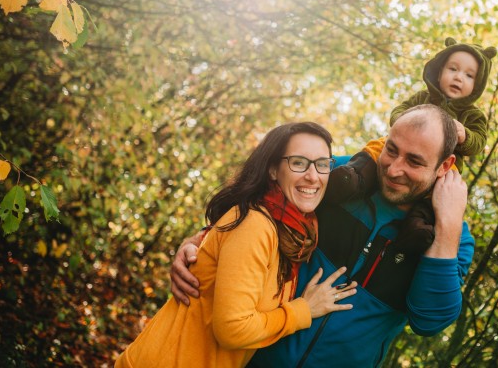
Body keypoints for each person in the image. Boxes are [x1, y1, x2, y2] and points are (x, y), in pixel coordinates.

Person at [171, 105, 475, 367]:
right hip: (252, 357)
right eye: (391, 150)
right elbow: (258, 200)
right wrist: (203, 241)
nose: (394, 169)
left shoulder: (450, 237)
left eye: (414, 161)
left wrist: (447, 228)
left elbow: (429, 321)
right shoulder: (342, 177)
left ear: (444, 166)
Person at [116, 122, 357, 368]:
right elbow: (232, 329)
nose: (312, 175)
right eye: (298, 163)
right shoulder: (255, 225)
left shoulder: (291, 233)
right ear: (273, 170)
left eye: (322, 164)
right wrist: (303, 310)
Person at [327, 37, 496, 252]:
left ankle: (419, 226)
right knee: (378, 146)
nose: (458, 77)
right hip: (401, 143)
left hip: (441, 167)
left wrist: (465, 136)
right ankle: (355, 176)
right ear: (439, 70)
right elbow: (399, 112)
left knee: (444, 189)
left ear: (477, 84)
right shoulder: (423, 97)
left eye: (468, 75)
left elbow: (479, 143)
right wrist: (406, 121)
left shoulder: (472, 115)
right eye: (453, 69)